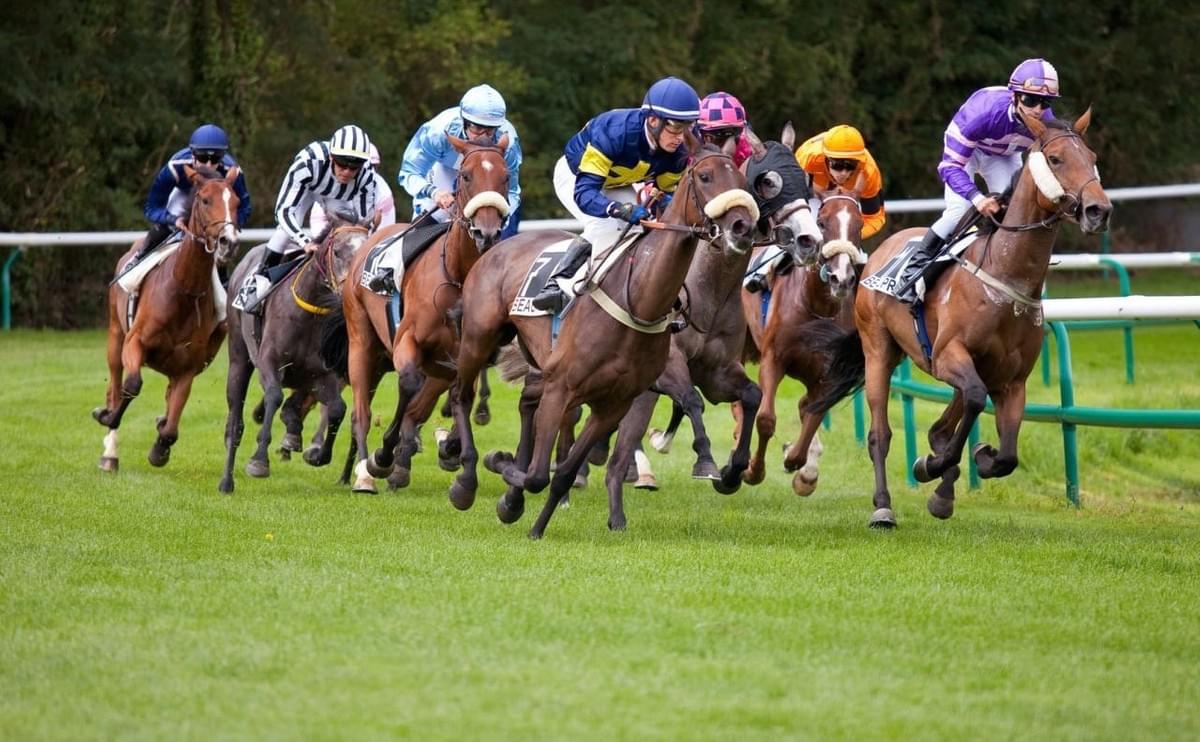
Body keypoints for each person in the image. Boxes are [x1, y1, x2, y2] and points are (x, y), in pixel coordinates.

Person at [895, 57, 1060, 307]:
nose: (1038, 109)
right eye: (1030, 99)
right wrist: (977, 198)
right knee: (959, 211)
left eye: (1045, 102)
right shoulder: (982, 115)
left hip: (1004, 155)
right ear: (1015, 96)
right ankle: (913, 271)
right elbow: (950, 167)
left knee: (1015, 212)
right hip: (967, 154)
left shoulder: (1046, 122)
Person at [530, 76, 701, 313]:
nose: (681, 138)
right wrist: (617, 209)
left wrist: (666, 205)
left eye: (688, 127)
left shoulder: (678, 148)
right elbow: (586, 193)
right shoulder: (613, 132)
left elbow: (664, 194)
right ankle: (556, 286)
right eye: (675, 127)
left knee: (645, 227)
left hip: (619, 181)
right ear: (653, 120)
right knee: (605, 225)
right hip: (577, 177)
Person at [235, 124, 377, 313]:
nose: (347, 172)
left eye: (354, 167)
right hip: (308, 190)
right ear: (331, 157)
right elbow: (283, 211)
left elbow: (361, 224)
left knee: (351, 240)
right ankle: (257, 285)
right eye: (342, 164)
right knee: (283, 235)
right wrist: (305, 242)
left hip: (339, 199)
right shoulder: (307, 163)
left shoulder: (367, 175)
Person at [744, 123, 885, 292]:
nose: (843, 173)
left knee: (858, 253)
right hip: (811, 195)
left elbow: (875, 217)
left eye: (851, 166)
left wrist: (844, 234)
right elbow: (790, 198)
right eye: (837, 165)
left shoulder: (869, 172)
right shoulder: (807, 158)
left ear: (860, 162)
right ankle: (761, 272)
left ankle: (864, 293)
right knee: (797, 229)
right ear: (825, 158)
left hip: (847, 202)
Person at [398, 84, 522, 227]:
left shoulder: (509, 143)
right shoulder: (437, 132)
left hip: (486, 180)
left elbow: (512, 191)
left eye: (490, 130)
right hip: (444, 170)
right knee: (422, 227)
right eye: (477, 127)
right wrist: (434, 192)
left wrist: (501, 220)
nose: (482, 136)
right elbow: (409, 172)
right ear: (464, 122)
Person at [133, 123, 251, 265]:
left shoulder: (233, 171)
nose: (208, 165)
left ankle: (223, 279)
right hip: (183, 194)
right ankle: (139, 259)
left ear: (222, 157)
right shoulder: (175, 167)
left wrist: (226, 226)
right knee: (163, 226)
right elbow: (151, 208)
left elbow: (244, 208)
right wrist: (172, 219)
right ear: (193, 154)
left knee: (221, 240)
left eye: (215, 159)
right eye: (202, 157)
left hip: (214, 203)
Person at [310, 143, 395, 234]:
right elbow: (318, 219)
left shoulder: (384, 193)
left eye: (373, 166)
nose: (369, 170)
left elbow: (386, 231)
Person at [695, 91, 754, 167]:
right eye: (721, 137)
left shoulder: (748, 151)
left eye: (734, 137)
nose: (730, 145)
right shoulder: (690, 148)